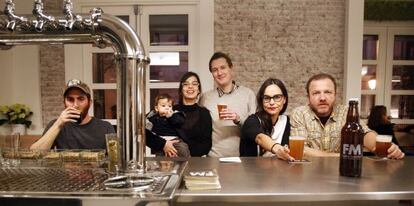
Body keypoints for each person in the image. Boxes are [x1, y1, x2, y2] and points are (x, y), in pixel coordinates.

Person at [290, 73, 404, 159]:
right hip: (310, 173)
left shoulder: (346, 112)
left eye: (328, 92)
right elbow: (302, 150)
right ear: (308, 97)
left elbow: (364, 134)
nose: (322, 98)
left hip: (341, 173)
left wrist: (378, 146)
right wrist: (340, 156)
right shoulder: (300, 113)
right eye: (316, 93)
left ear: (335, 95)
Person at [199, 52, 256, 157]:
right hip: (214, 158)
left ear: (231, 68)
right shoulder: (205, 98)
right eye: (215, 70)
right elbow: (200, 130)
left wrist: (238, 119)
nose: (219, 73)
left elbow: (256, 129)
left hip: (243, 159)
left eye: (223, 67)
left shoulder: (248, 94)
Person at [31, 79, 115, 150]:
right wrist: (58, 124)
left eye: (81, 99)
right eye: (70, 99)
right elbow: (35, 154)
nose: (75, 105)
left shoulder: (105, 127)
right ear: (64, 103)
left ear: (90, 102)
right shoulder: (56, 125)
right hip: (65, 170)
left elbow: (116, 159)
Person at [146, 72, 212, 157]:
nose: (190, 86)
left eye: (194, 84)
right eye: (186, 84)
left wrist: (184, 154)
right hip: (166, 162)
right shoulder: (168, 109)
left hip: (194, 163)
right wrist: (163, 144)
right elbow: (143, 132)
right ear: (181, 89)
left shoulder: (204, 113)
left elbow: (206, 144)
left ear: (198, 90)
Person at [240, 78, 293, 160]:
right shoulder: (252, 121)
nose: (272, 102)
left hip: (280, 171)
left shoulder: (287, 121)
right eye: (267, 98)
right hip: (252, 171)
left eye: (277, 97)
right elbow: (260, 138)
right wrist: (277, 148)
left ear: (284, 100)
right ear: (261, 101)